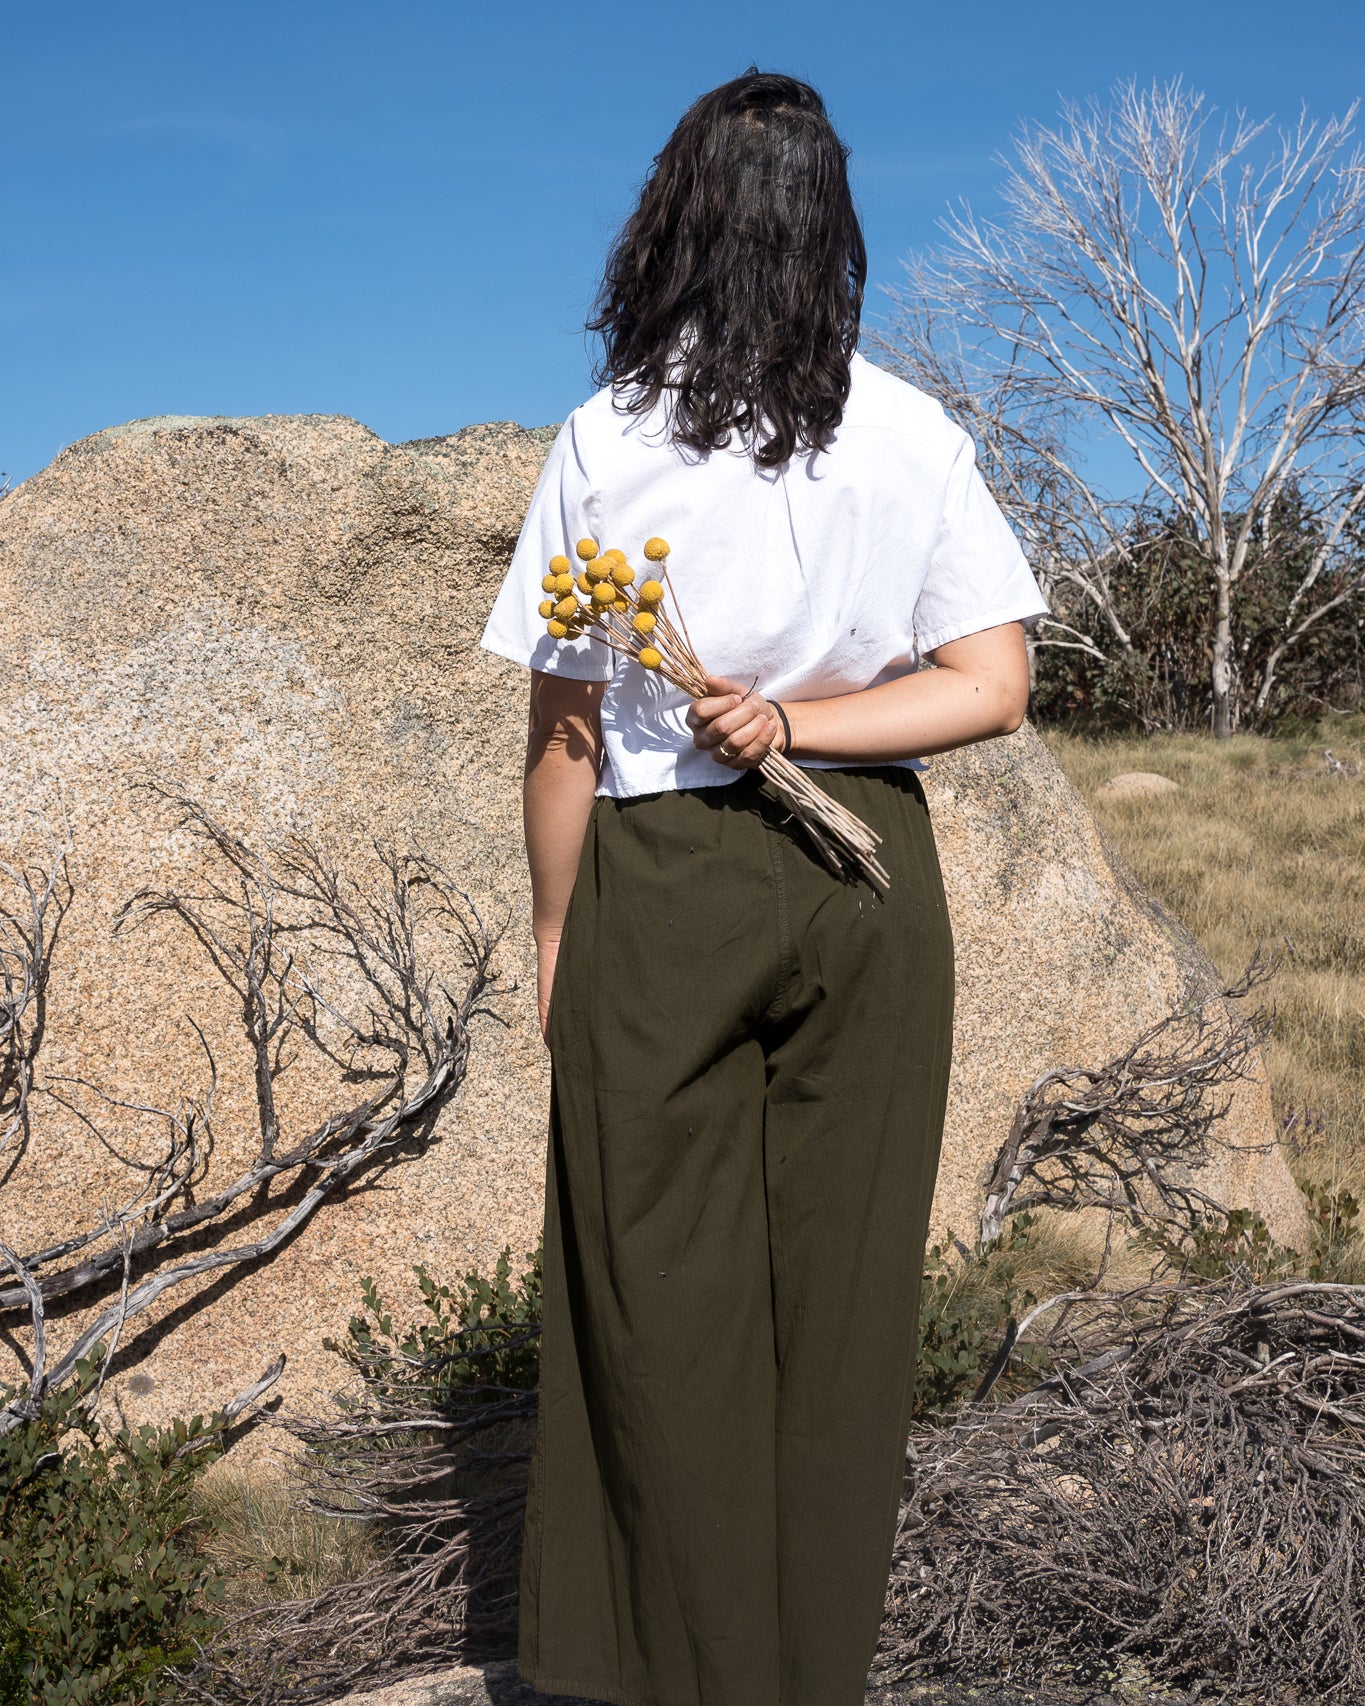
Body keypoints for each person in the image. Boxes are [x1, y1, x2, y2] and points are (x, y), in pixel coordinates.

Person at [479, 68, 1046, 1706]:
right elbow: (991, 681)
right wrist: (807, 723)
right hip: (870, 881)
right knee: (845, 1303)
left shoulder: (608, 439)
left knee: (650, 1291)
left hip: (668, 875)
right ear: (831, 237)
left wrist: (552, 927)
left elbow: (567, 729)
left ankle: (667, 1667)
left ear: (676, 224)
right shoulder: (912, 431)